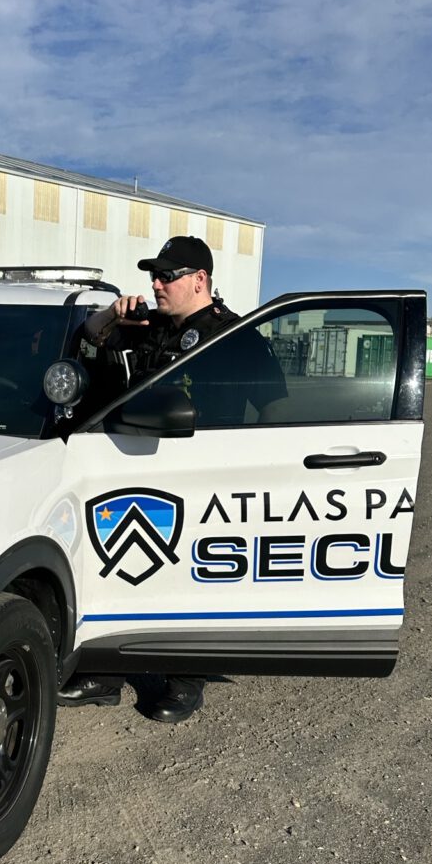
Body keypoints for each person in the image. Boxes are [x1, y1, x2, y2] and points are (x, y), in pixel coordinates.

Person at [58, 235, 286, 722]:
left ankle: (185, 677)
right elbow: (88, 338)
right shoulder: (147, 327)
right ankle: (108, 669)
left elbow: (276, 413)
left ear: (199, 279)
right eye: (153, 275)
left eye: (167, 275)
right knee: (118, 563)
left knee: (193, 576)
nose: (156, 283)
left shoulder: (237, 336)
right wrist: (112, 315)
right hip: (132, 464)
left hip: (204, 473)